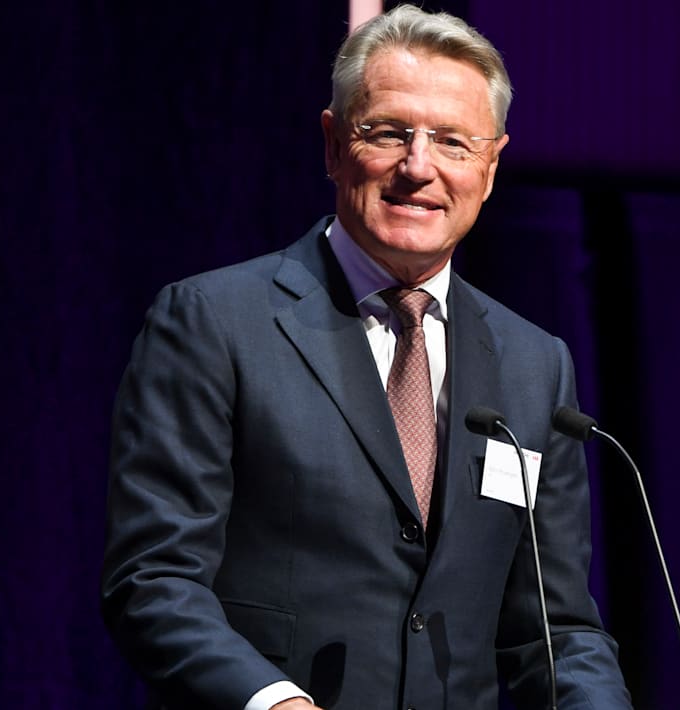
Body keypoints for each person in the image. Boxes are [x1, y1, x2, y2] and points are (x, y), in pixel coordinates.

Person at [100, 5, 631, 709]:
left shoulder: (535, 365)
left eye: (452, 142)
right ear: (332, 144)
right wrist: (276, 702)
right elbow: (154, 579)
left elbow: (554, 631)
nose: (419, 167)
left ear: (491, 166)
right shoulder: (213, 323)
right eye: (387, 133)